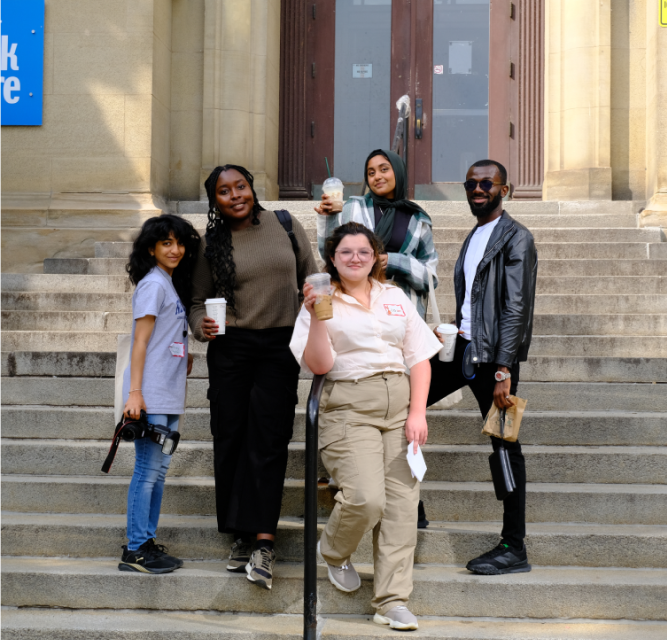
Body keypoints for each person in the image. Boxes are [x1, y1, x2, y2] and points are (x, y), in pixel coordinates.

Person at [290, 222, 442, 631]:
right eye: (345, 252)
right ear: (333, 260)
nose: (355, 258)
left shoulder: (394, 297)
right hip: (348, 406)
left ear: (376, 256)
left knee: (401, 508)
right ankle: (334, 550)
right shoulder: (319, 301)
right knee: (366, 498)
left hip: (400, 405)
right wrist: (317, 316)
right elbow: (320, 365)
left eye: (363, 251)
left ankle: (392, 601)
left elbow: (420, 358)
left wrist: (418, 413)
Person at [189, 164, 318, 591]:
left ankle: (264, 539)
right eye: (224, 192)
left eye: (240, 186)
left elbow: (311, 277)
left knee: (269, 439)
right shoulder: (212, 243)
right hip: (232, 348)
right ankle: (240, 535)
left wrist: (316, 302)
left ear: (251, 187)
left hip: (280, 346)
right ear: (215, 201)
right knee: (230, 438)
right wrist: (200, 325)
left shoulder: (286, 224)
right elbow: (195, 303)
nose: (235, 195)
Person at [428, 159, 538, 575]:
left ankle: (514, 546)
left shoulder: (516, 238)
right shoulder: (476, 234)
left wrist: (505, 369)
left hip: (495, 359)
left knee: (505, 446)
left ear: (504, 190)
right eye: (471, 182)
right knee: (406, 397)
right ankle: (410, 505)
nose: (477, 188)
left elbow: (515, 308)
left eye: (487, 183)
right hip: (464, 349)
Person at [119, 214, 201, 574]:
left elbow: (163, 338)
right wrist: (135, 394)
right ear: (151, 248)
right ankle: (135, 549)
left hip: (167, 392)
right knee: (147, 471)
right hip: (150, 393)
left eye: (179, 243)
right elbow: (139, 342)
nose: (175, 249)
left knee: (159, 471)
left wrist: (183, 354)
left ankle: (146, 542)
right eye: (166, 243)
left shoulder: (168, 284)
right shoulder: (153, 284)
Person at [315, 149, 438, 319]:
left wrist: (396, 262)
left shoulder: (417, 218)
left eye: (384, 169)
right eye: (371, 173)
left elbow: (431, 278)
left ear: (398, 171)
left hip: (401, 313)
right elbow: (329, 255)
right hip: (357, 309)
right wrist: (328, 219)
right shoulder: (353, 208)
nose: (377, 176)